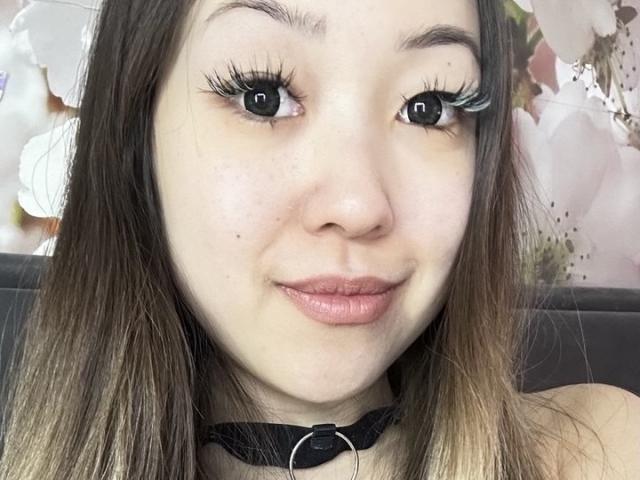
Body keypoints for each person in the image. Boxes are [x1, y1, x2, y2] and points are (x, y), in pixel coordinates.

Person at [0, 0, 639, 479]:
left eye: (428, 107)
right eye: (262, 96)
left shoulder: (600, 454)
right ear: (136, 134)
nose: (358, 207)